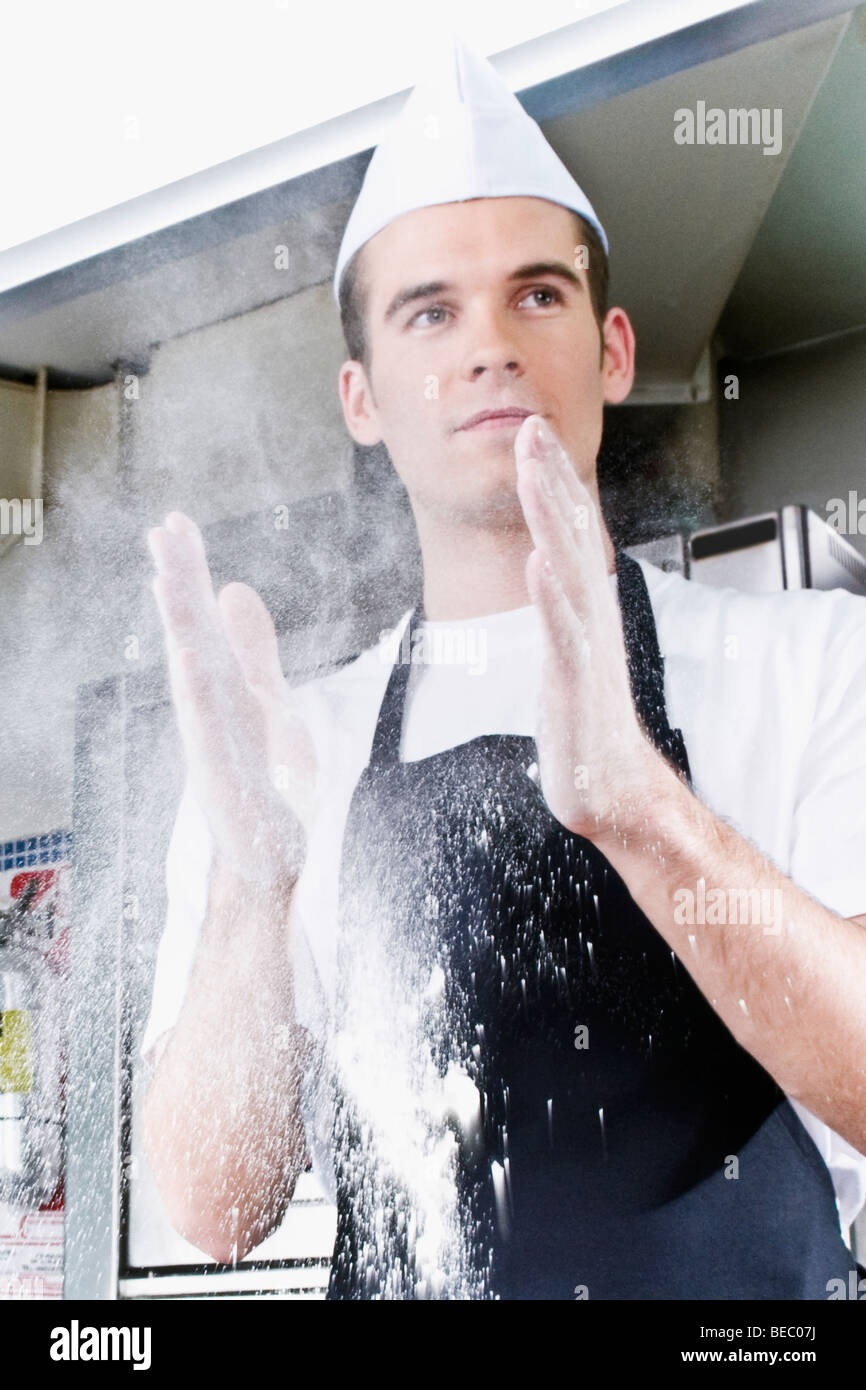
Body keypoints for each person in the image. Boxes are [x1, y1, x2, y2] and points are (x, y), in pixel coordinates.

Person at [141, 37, 866, 1299]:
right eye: (430, 310)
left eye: (537, 294)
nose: (489, 346)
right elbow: (215, 1206)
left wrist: (642, 818)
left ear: (614, 348)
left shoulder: (812, 662)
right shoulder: (291, 743)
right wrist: (252, 889)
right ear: (361, 398)